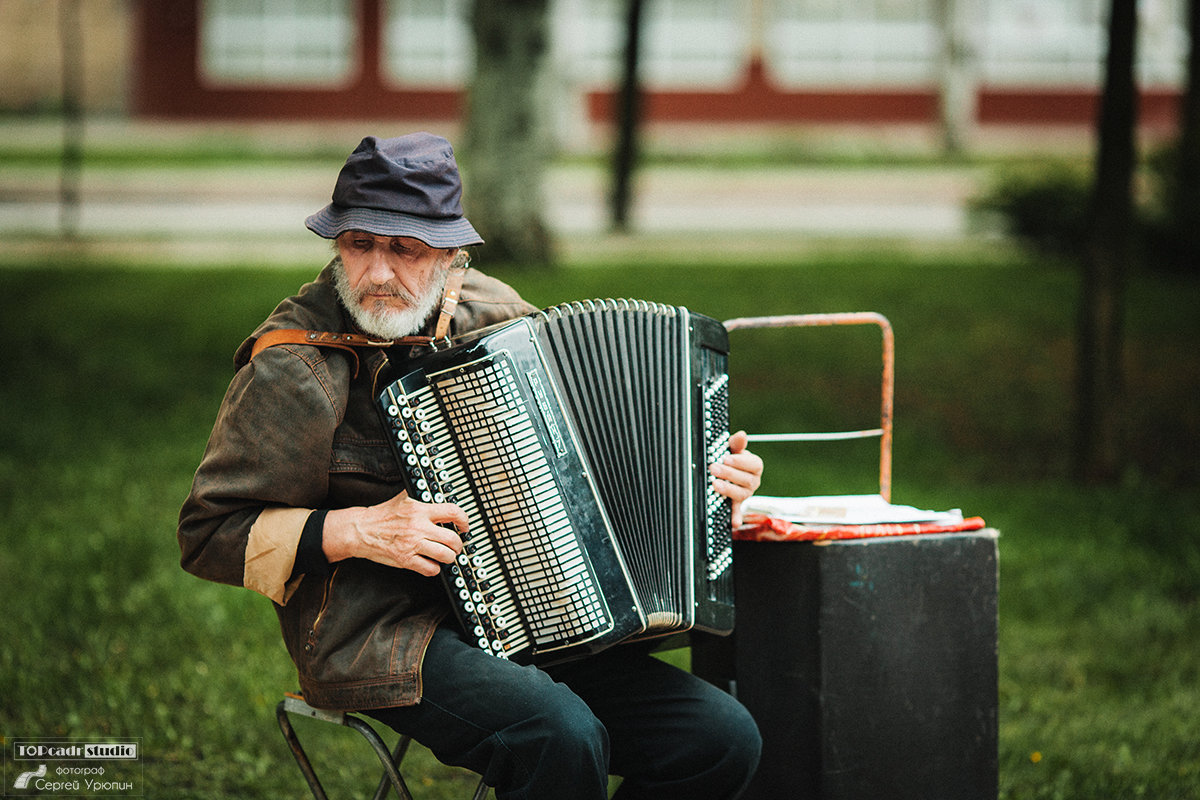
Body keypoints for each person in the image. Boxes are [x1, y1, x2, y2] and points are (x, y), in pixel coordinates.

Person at [178, 132, 765, 799]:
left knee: (719, 740)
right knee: (559, 735)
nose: (376, 272)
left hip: (534, 619)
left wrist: (707, 486)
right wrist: (362, 529)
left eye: (405, 248)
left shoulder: (495, 318)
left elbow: (592, 477)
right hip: (381, 635)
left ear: (452, 253)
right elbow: (209, 534)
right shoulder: (296, 365)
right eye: (359, 243)